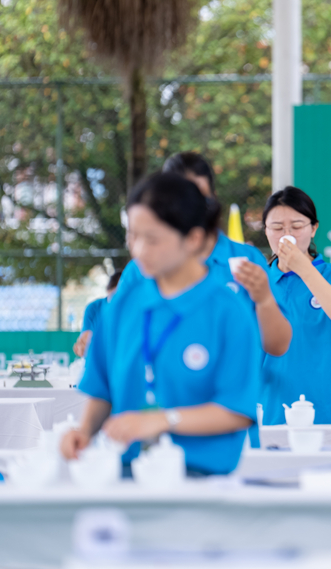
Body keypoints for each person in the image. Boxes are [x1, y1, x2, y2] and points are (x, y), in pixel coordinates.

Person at [60, 172, 260, 476]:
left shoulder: (229, 311)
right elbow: (101, 388)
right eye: (133, 236)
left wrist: (163, 420)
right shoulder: (124, 305)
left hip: (201, 482)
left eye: (152, 239)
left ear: (193, 238)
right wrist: (84, 431)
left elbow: (236, 410)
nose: (139, 250)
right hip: (126, 476)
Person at [115, 152, 291, 357]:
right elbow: (118, 344)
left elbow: (278, 346)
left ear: (214, 199)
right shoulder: (141, 269)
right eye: (179, 200)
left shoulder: (247, 260)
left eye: (201, 197)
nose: (192, 208)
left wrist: (265, 300)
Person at [257, 186, 331, 426]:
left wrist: (303, 267)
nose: (287, 234)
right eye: (276, 228)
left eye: (296, 226)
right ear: (266, 231)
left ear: (313, 228)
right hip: (273, 411)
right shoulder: (257, 282)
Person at [73, 269, 122, 357]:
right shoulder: (94, 309)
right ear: (108, 290)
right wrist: (83, 346)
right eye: (112, 299)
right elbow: (85, 340)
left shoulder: (137, 313)